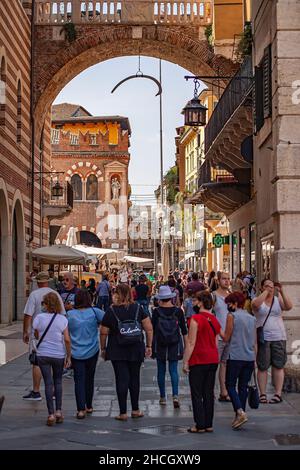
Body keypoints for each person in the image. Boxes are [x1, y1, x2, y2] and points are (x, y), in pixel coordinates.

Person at [100, 284, 153, 421]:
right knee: (134, 378)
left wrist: (103, 349)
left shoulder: (111, 311)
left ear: (118, 294)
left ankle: (123, 412)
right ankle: (135, 410)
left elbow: (103, 332)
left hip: (117, 350)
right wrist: (149, 345)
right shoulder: (138, 308)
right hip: (136, 348)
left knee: (121, 379)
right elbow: (149, 328)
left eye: (114, 293)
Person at [22, 272, 66, 401]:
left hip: (38, 333)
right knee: (53, 361)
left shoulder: (34, 295)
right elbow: (62, 314)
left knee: (36, 362)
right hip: (55, 332)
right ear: (48, 281)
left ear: (37, 282)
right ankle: (52, 392)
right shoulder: (56, 294)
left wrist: (25, 331)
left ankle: (36, 391)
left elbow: (28, 315)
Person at [183, 291, 220, 433]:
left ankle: (199, 424)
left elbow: (191, 343)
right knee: (208, 392)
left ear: (200, 302)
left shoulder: (195, 319)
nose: (192, 303)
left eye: (194, 301)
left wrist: (186, 361)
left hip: (198, 359)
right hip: (212, 358)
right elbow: (216, 342)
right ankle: (209, 423)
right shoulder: (214, 319)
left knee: (197, 393)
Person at [33, 292, 71, 426]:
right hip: (58, 354)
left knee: (48, 383)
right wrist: (69, 356)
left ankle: (50, 414)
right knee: (58, 382)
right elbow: (66, 339)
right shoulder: (63, 319)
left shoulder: (39, 318)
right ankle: (59, 411)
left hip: (43, 354)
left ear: (46, 304)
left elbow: (37, 335)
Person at [252, 279, 292, 404]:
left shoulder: (277, 300)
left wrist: (282, 291)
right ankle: (262, 394)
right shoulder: (257, 300)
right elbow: (256, 305)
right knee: (263, 366)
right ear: (261, 288)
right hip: (264, 338)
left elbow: (288, 306)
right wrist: (266, 291)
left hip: (279, 336)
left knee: (278, 365)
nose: (270, 288)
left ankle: (278, 393)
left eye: (271, 286)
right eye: (266, 285)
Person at [220, 292, 256, 429]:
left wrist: (217, 329)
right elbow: (254, 341)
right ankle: (240, 414)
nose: (228, 306)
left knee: (230, 385)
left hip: (235, 355)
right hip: (249, 356)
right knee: (243, 387)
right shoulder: (251, 318)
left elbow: (226, 337)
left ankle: (239, 411)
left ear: (235, 303)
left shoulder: (232, 316)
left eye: (229, 303)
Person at [67, 290, 105, 419]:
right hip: (92, 350)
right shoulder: (95, 312)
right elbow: (109, 320)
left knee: (79, 380)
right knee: (90, 378)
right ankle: (89, 405)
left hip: (75, 351)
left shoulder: (69, 314)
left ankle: (80, 409)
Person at [152, 286, 188, 408]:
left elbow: (152, 330)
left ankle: (162, 397)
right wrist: (187, 346)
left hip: (160, 344)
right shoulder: (178, 312)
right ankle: (175, 395)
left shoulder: (156, 312)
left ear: (160, 299)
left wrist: (149, 346)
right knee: (173, 370)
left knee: (161, 370)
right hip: (175, 343)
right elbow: (184, 330)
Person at [212, 271, 231, 402]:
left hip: (230, 336)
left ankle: (223, 391)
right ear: (218, 280)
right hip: (217, 336)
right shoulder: (213, 296)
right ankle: (210, 391)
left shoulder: (231, 296)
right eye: (224, 279)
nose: (227, 281)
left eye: (228, 279)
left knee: (224, 364)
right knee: (213, 364)